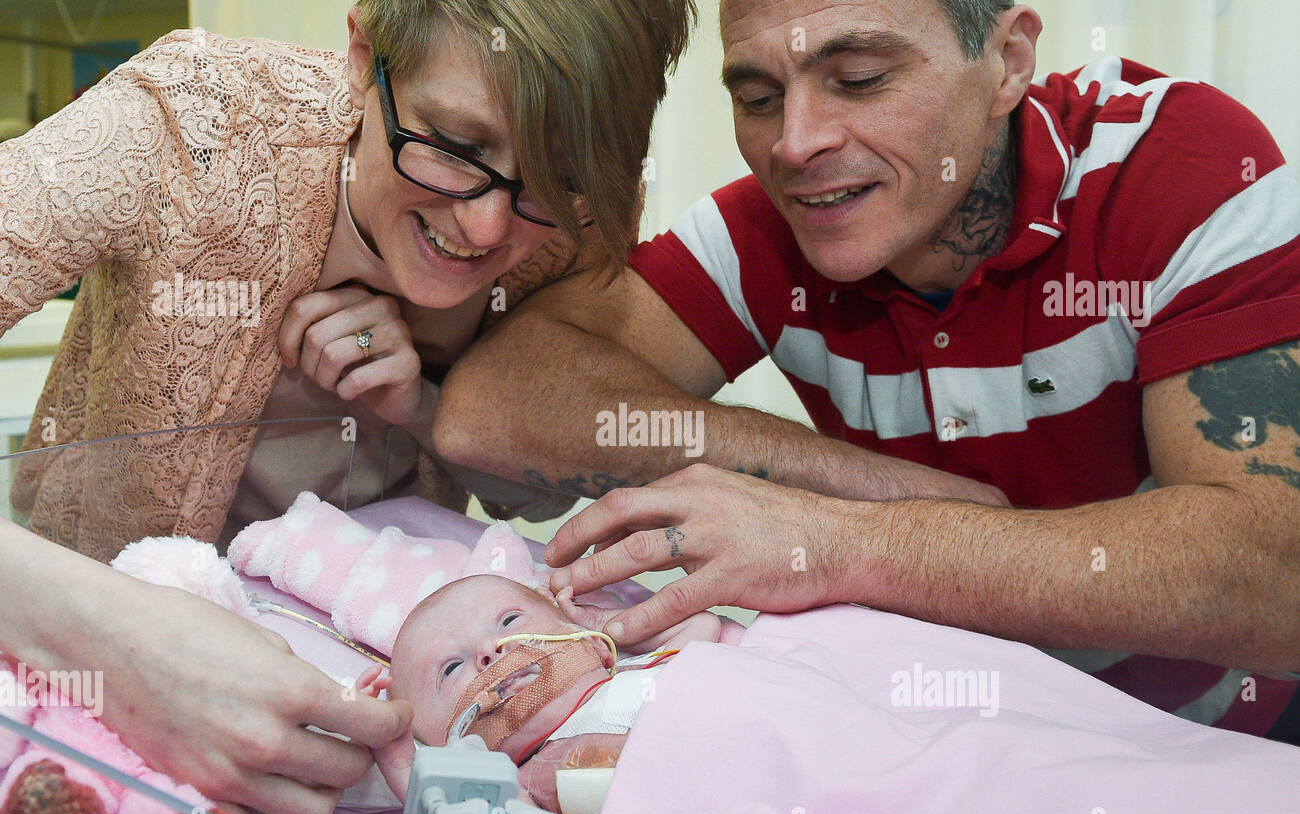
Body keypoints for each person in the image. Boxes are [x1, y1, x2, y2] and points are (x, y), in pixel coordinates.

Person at [432, 0, 1300, 741]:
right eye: (760, 97)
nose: (795, 145)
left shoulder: (1182, 163)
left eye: (858, 79)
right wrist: (875, 489)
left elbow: (1276, 569)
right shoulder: (781, 225)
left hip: (1230, 746)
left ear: (1006, 61)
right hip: (956, 749)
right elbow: (489, 407)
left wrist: (830, 541)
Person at [0, 0, 696, 814]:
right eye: (453, 146)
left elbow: (530, 493)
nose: (485, 227)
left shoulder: (568, 227)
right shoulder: (188, 125)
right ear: (367, 52)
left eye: (550, 176)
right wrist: (113, 636)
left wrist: (429, 410)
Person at [368, 573, 744, 814]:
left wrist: (602, 625)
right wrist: (402, 765)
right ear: (450, 748)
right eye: (450, 669)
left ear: (598, 650)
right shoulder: (524, 784)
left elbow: (703, 625)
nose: (488, 650)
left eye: (509, 622)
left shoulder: (642, 673)